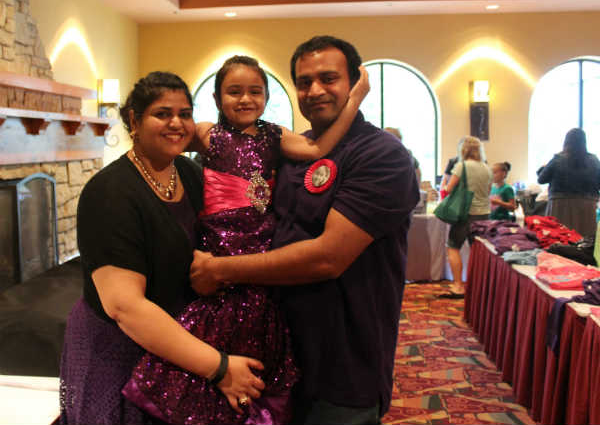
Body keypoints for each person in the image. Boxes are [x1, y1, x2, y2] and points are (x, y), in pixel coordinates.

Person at [122, 55, 370, 425]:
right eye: (234, 92)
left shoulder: (275, 135)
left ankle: (248, 407)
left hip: (260, 248)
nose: (245, 99)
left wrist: (356, 100)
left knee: (257, 328)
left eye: (255, 91)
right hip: (218, 246)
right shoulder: (206, 133)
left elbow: (318, 150)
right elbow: (164, 139)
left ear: (267, 96)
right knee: (213, 329)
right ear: (217, 98)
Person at [190, 35, 420, 425]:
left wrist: (219, 269)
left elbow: (328, 258)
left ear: (353, 84)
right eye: (304, 82)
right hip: (276, 353)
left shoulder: (382, 155)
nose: (314, 90)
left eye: (329, 78)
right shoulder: (292, 148)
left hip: (343, 365)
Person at [58, 72, 265, 425]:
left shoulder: (187, 171)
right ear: (135, 120)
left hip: (180, 342)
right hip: (121, 350)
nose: (176, 123)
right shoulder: (110, 193)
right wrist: (218, 367)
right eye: (162, 114)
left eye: (185, 114)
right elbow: (126, 308)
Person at [443, 136, 491, 297]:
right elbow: (488, 192)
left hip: (464, 214)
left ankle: (458, 286)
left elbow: (449, 189)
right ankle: (479, 287)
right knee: (477, 251)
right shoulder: (486, 168)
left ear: (463, 150)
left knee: (453, 247)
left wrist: (445, 187)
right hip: (484, 214)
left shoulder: (461, 166)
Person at [537, 128, 600, 239]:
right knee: (585, 242)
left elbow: (541, 179)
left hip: (559, 206)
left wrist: (544, 166)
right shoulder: (594, 160)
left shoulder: (558, 159)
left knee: (559, 240)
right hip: (587, 208)